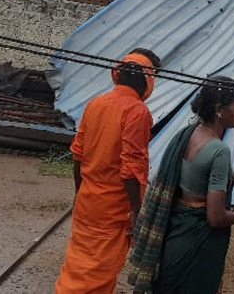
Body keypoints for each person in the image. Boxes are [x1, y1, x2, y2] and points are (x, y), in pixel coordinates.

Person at [128, 77, 234, 293]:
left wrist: (229, 176)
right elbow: (215, 218)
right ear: (219, 110)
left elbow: (192, 174)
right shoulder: (219, 151)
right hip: (197, 245)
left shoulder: (189, 133)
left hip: (174, 239)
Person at [54, 48, 161, 294]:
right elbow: (131, 169)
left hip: (88, 203)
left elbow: (78, 155)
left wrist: (80, 192)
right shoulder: (137, 112)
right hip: (113, 211)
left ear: (117, 75)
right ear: (148, 80)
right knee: (98, 274)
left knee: (78, 266)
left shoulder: (95, 104)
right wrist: (136, 209)